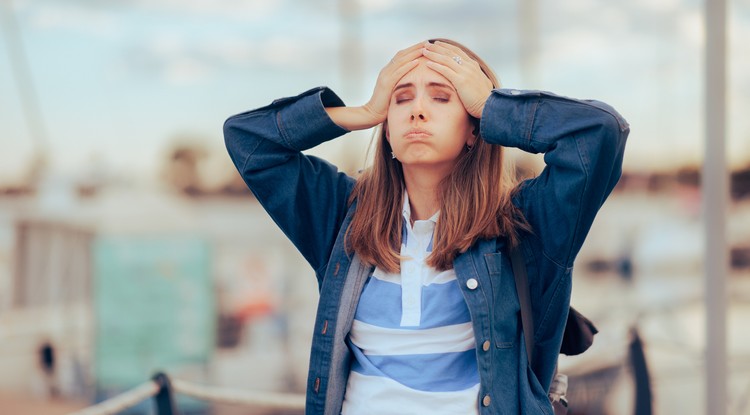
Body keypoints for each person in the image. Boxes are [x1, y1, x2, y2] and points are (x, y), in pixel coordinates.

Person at [224, 38, 628, 415]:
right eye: (399, 100)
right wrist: (362, 112)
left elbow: (599, 133)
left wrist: (493, 106)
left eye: (441, 97)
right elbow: (248, 140)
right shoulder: (339, 216)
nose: (417, 110)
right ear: (387, 130)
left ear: (475, 129)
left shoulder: (526, 224)